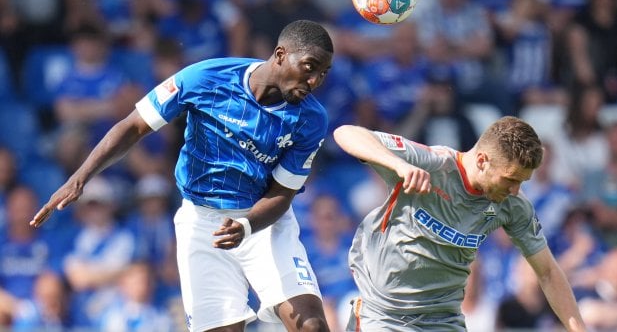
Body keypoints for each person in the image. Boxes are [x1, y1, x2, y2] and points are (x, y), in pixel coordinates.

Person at [30, 19, 334, 332]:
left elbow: (282, 194)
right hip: (203, 224)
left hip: (264, 223)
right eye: (309, 67)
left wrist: (247, 225)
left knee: (311, 324)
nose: (314, 81)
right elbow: (134, 125)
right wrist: (80, 178)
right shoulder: (207, 77)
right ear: (281, 54)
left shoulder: (311, 118)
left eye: (323, 73)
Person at [333, 116, 587, 331]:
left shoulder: (514, 205)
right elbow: (347, 133)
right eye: (510, 179)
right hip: (383, 316)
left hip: (445, 321)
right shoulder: (434, 164)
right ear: (481, 161)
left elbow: (549, 272)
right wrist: (398, 165)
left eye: (522, 181)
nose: (515, 190)